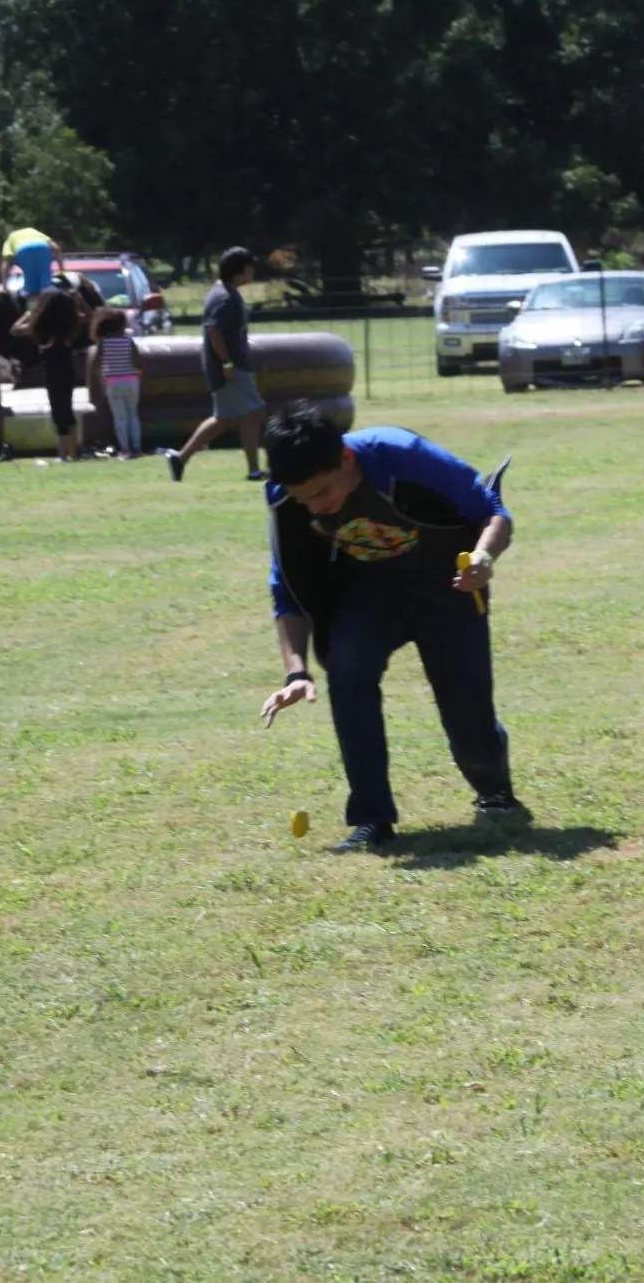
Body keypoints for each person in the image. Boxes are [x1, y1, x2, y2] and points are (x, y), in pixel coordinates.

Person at [256, 404, 531, 854]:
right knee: (346, 666)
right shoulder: (286, 499)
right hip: (369, 594)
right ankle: (371, 818)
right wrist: (296, 672)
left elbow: (492, 512)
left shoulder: (402, 455)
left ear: (345, 460)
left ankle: (494, 789)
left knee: (469, 716)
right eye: (305, 499)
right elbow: (286, 588)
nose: (316, 507)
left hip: (450, 588)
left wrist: (483, 558)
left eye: (323, 493)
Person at [166, 246, 266, 482]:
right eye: (250, 267)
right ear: (239, 271)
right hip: (229, 367)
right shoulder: (224, 296)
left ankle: (179, 459)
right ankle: (254, 470)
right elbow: (213, 330)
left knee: (225, 419)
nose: (253, 271)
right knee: (253, 412)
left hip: (228, 366)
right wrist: (227, 362)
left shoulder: (226, 292)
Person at [12, 286, 83, 461]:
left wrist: (31, 312)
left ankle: (63, 453)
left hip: (53, 370)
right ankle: (72, 452)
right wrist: (78, 300)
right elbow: (86, 316)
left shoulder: (41, 328)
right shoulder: (68, 325)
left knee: (58, 412)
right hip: (67, 368)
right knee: (66, 410)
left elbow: (14, 330)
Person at [90, 306, 143, 458]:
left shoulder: (103, 343)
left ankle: (125, 449)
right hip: (132, 380)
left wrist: (101, 377)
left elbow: (95, 364)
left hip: (112, 382)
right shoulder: (128, 341)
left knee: (120, 417)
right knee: (133, 415)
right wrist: (138, 375)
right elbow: (138, 363)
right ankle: (137, 448)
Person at [0, 226, 61, 298]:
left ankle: (33, 303)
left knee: (31, 291)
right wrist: (62, 270)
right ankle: (47, 299)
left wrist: (4, 285)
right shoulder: (33, 231)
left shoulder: (10, 238)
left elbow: (6, 262)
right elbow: (56, 248)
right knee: (46, 287)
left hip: (23, 250)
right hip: (43, 248)